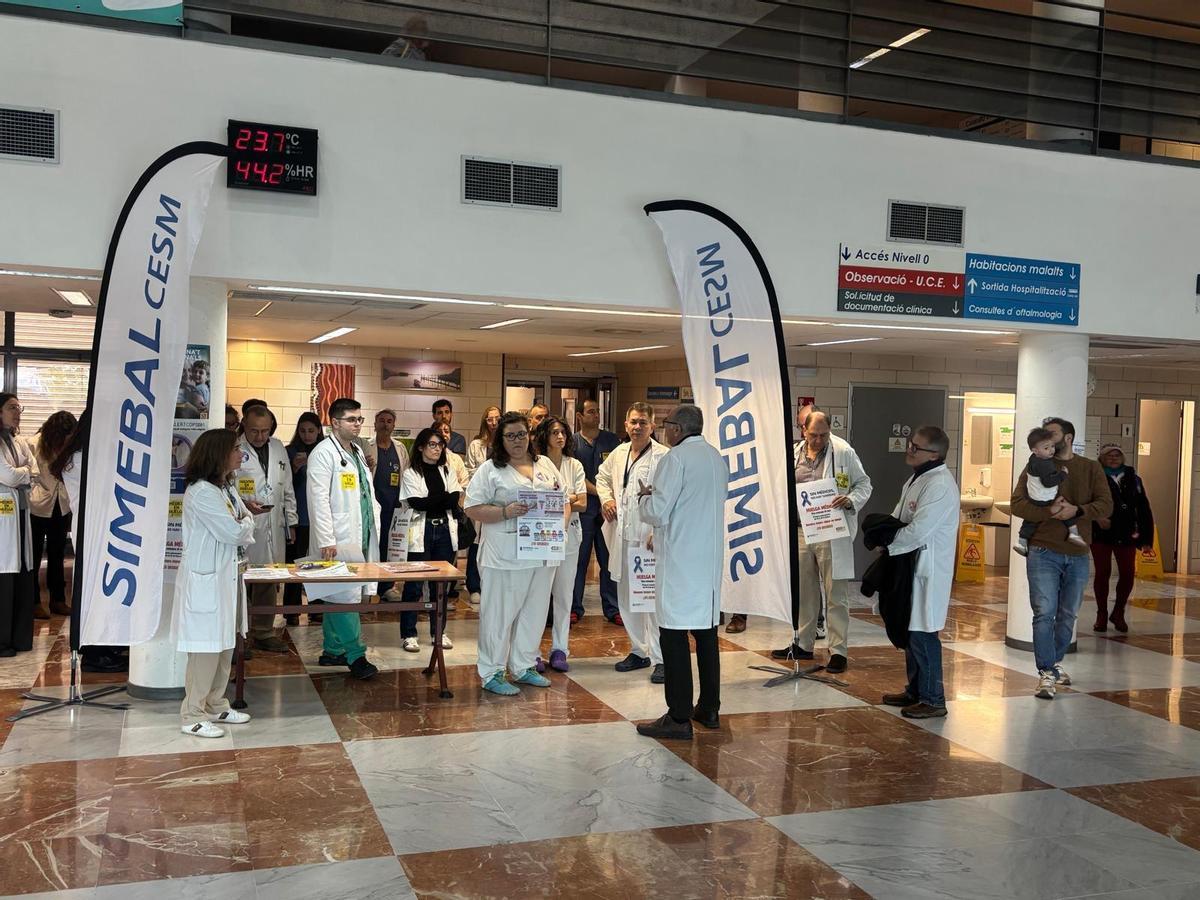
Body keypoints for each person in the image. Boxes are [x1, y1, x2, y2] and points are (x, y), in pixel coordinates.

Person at [635, 405, 727, 741]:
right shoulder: (716, 458)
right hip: (708, 560)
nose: (664, 429)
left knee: (672, 637)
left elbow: (658, 511)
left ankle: (678, 716)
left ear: (678, 428)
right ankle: (710, 707)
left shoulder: (674, 460)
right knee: (705, 636)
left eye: (667, 425)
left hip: (681, 561)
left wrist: (645, 498)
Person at [464, 412, 566, 695]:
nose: (517, 440)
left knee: (534, 611)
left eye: (521, 434)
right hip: (505, 555)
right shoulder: (491, 470)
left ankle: (523, 665)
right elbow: (471, 507)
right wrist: (505, 512)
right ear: (501, 439)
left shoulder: (544, 464)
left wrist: (561, 527)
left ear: (530, 435)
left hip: (543, 552)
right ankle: (492, 671)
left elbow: (562, 499)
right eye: (510, 436)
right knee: (499, 614)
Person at [1011, 417, 1111, 700]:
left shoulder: (1090, 468)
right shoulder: (1036, 464)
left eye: (1052, 434)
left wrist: (1076, 511)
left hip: (1078, 553)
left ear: (1067, 437)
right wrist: (1051, 512)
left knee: (1068, 615)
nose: (1047, 438)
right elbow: (1017, 503)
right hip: (1043, 550)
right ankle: (1045, 671)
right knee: (1044, 613)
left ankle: (1053, 665)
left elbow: (1106, 504)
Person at [771, 410, 871, 673]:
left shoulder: (843, 452)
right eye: (813, 435)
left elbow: (864, 484)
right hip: (801, 531)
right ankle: (803, 644)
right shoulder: (793, 454)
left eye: (823, 435)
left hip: (831, 530)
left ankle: (838, 650)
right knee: (804, 592)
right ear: (803, 430)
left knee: (835, 594)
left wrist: (851, 500)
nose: (818, 441)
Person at [173, 428, 256, 738]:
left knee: (225, 644)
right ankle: (192, 713)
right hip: (207, 579)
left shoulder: (225, 487)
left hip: (228, 575)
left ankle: (216, 703)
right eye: (235, 448)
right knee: (205, 648)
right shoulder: (202, 492)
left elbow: (243, 519)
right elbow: (234, 530)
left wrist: (243, 521)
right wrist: (244, 522)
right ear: (218, 453)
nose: (240, 453)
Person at [879, 426, 959, 719]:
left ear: (935, 454)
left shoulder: (939, 485)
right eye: (910, 444)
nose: (909, 450)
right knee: (911, 630)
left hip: (928, 568)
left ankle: (934, 698)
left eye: (917, 447)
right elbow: (900, 517)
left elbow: (918, 530)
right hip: (910, 565)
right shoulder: (918, 478)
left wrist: (888, 544)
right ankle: (915, 690)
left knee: (924, 633)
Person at [306, 398, 380, 680]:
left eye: (360, 419)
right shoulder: (323, 453)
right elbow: (318, 500)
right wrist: (326, 539)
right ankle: (355, 655)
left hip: (357, 533)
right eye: (351, 419)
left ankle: (332, 650)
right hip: (336, 537)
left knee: (337, 594)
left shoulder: (357, 452)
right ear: (335, 423)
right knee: (343, 597)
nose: (358, 424)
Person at [48, 410, 127, 673]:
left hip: (103, 529)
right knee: (93, 589)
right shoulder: (80, 459)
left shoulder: (88, 456)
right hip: (93, 529)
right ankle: (93, 652)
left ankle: (106, 644)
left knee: (104, 589)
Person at [598, 403, 669, 683]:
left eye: (643, 422)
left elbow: (670, 496)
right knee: (626, 596)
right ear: (625, 425)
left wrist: (658, 528)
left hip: (649, 538)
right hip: (623, 536)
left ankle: (661, 657)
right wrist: (606, 499)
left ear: (652, 426)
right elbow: (602, 478)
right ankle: (639, 651)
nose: (637, 427)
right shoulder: (618, 453)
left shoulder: (664, 457)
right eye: (633, 422)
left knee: (652, 600)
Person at [235, 405, 298, 653]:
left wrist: (291, 520)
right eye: (254, 431)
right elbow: (226, 487)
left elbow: (287, 486)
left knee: (269, 580)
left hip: (274, 523)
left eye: (265, 431)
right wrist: (244, 505)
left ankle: (263, 632)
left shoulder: (278, 447)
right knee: (242, 581)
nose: (260, 437)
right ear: (244, 427)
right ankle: (239, 636)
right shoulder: (235, 448)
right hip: (245, 522)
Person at [397, 428, 460, 652]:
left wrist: (437, 500)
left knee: (439, 585)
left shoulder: (447, 470)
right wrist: (441, 499)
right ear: (422, 447)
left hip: (443, 531)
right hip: (421, 531)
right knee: (414, 584)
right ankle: (409, 634)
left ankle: (438, 632)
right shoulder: (411, 473)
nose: (437, 449)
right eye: (432, 444)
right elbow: (417, 503)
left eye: (440, 445)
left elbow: (453, 500)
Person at [534, 416, 587, 672]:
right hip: (543, 535)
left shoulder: (574, 465)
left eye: (563, 432)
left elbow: (584, 504)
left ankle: (559, 649)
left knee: (564, 595)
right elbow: (537, 501)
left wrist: (562, 499)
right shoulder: (536, 464)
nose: (560, 437)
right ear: (545, 435)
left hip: (570, 535)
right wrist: (567, 498)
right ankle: (530, 650)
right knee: (539, 596)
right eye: (554, 432)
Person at [1091, 443, 1154, 634]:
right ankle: (1101, 614)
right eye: (1109, 455)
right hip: (1101, 531)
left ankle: (1118, 611)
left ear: (1123, 458)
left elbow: (1143, 508)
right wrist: (1097, 516)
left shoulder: (1134, 479)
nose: (1113, 458)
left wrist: (1146, 539)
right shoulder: (1094, 477)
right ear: (1102, 458)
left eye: (1117, 455)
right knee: (1103, 572)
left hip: (1126, 532)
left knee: (1127, 573)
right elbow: (1084, 500)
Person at [572, 398, 620, 624]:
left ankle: (613, 608)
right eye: (591, 412)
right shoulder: (572, 443)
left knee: (609, 560)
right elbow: (577, 479)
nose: (596, 415)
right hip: (583, 511)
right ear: (580, 416)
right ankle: (574, 607)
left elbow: (618, 474)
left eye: (598, 411)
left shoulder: (612, 441)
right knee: (579, 561)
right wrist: (601, 494)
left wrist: (608, 498)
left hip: (607, 512)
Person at [29, 410, 76, 618]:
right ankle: (34, 601)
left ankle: (58, 600)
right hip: (38, 505)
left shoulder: (69, 445)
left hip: (61, 504)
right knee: (35, 555)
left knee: (58, 554)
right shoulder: (34, 443)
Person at [1014, 427, 1087, 556]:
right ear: (1035, 450)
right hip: (1045, 497)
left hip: (1035, 496)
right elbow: (1048, 482)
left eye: (1052, 446)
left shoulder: (1033, 459)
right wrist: (1063, 474)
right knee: (1065, 509)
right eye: (1046, 448)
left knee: (1030, 521)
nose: (1051, 450)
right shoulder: (1045, 464)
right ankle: (1073, 532)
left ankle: (1021, 541)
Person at [0, 393, 34, 657]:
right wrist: (21, 473)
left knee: (22, 570)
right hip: (4, 516)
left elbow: (32, 469)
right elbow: (10, 475)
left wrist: (21, 473)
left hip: (20, 512)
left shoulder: (17, 440)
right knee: (5, 575)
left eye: (18, 408)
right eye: (12, 408)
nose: (17, 412)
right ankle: (2, 641)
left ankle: (19, 639)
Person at [284, 412, 323, 624]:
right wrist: (294, 467)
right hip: (298, 517)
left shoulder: (324, 451)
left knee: (317, 565)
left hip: (318, 517)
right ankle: (291, 610)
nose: (307, 435)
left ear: (318, 430)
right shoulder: (289, 452)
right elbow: (283, 483)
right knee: (294, 564)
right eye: (302, 431)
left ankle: (317, 608)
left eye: (311, 430)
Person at [464, 406, 501, 606]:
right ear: (484, 422)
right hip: (482, 500)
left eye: (497, 419)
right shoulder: (476, 445)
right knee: (476, 544)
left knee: (494, 544)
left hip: (500, 502)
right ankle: (474, 586)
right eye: (489, 419)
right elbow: (470, 472)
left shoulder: (506, 443)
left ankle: (492, 585)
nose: (494, 423)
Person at [373, 409, 410, 601]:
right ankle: (371, 586)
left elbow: (407, 474)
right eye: (381, 421)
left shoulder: (400, 448)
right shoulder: (367, 446)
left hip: (394, 505)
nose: (385, 424)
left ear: (393, 426)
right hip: (374, 505)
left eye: (389, 421)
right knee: (374, 546)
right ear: (375, 424)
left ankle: (387, 586)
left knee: (391, 547)